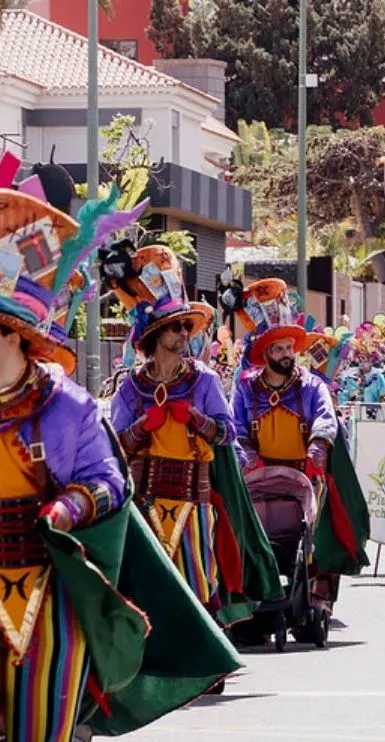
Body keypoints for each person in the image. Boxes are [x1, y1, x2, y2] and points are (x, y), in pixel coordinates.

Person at [0, 167, 237, 742]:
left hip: (55, 591)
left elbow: (107, 479)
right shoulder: (127, 390)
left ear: (16, 334)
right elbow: (127, 444)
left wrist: (69, 506)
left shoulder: (67, 406)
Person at [108, 247, 243, 617]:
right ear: (155, 333)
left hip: (194, 499)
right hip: (146, 499)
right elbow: (116, 447)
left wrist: (196, 420)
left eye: (187, 326)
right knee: (143, 587)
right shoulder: (130, 388)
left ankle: (206, 666)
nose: (185, 332)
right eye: (176, 326)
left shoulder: (204, 381)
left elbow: (228, 433)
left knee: (198, 583)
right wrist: (142, 427)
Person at [231, 279, 371, 624]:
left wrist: (318, 448)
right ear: (265, 354)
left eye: (288, 348)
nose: (285, 355)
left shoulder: (311, 385)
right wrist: (248, 456)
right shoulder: (247, 388)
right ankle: (255, 596)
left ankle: (317, 597)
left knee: (318, 535)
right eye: (277, 350)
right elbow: (235, 425)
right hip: (260, 476)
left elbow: (326, 418)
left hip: (308, 474)